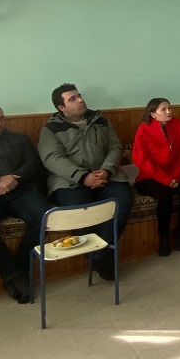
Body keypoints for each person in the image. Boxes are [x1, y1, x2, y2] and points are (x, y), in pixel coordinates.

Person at [37, 84, 131, 282]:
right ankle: (101, 257)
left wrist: (105, 170)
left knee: (122, 201)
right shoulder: (50, 129)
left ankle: (100, 254)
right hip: (70, 181)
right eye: (72, 99)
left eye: (79, 96)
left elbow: (115, 147)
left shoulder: (101, 122)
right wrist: (82, 177)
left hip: (106, 175)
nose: (80, 100)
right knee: (79, 211)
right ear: (61, 107)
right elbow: (52, 158)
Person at [0, 104, 50, 303]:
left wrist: (13, 180)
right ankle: (11, 274)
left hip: (20, 190)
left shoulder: (19, 139)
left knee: (46, 217)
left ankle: (20, 269)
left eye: (1, 118)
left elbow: (33, 164)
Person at [132, 98, 180, 257]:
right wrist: (166, 179)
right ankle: (164, 236)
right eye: (163, 109)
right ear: (153, 114)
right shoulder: (144, 129)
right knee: (165, 196)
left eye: (169, 108)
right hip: (149, 177)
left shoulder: (179, 125)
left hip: (176, 174)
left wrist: (175, 176)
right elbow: (141, 159)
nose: (168, 112)